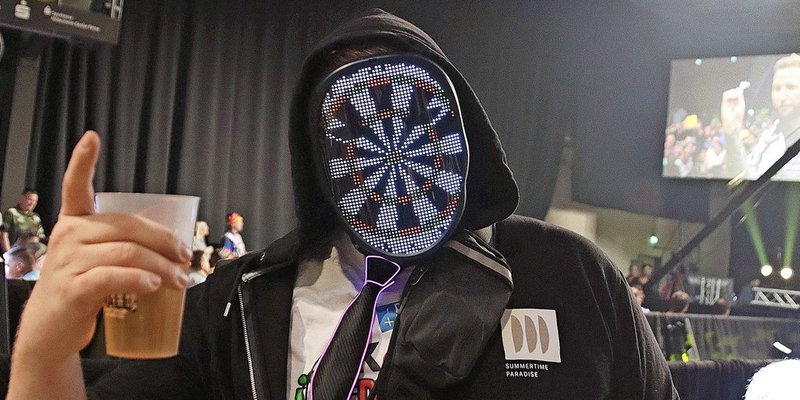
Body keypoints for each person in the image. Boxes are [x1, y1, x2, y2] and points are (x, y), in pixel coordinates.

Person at [7, 10, 678, 399]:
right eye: (357, 125)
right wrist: (44, 349)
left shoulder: (566, 276)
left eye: (412, 110)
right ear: (318, 155)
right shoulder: (240, 304)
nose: (392, 146)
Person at [722, 54, 800, 179]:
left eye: (791, 87)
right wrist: (732, 132)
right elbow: (745, 182)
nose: (782, 97)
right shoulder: (769, 138)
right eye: (777, 89)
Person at [1, 188, 46, 253]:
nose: (32, 203)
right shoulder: (12, 213)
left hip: (31, 254)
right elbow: (4, 235)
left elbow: (41, 237)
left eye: (35, 201)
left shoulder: (36, 217)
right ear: (22, 198)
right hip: (15, 252)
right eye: (30, 200)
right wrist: (8, 254)